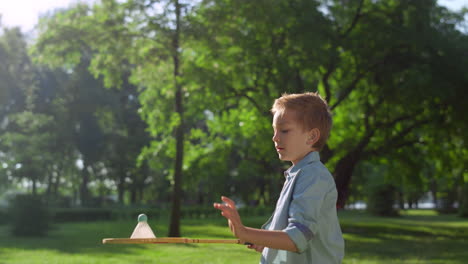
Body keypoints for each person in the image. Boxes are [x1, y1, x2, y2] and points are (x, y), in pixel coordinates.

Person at [213, 92, 345, 263]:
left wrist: (244, 232)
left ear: (311, 136)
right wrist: (262, 240)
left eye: (284, 130)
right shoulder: (299, 173)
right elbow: (288, 229)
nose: (275, 137)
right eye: (275, 131)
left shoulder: (314, 176)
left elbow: (297, 237)